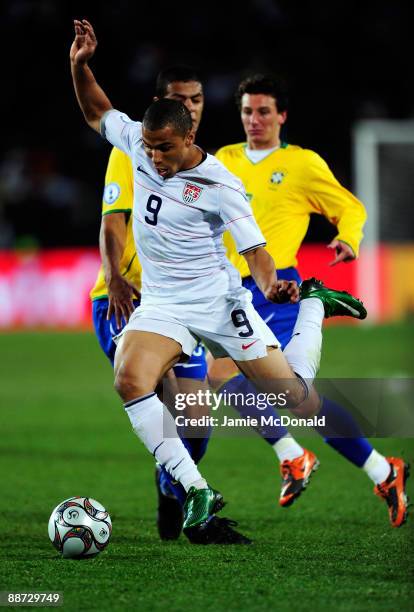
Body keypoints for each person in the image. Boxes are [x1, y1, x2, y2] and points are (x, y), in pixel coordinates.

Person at [70, 19, 377, 543]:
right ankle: (196, 491)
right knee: (129, 378)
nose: (155, 157)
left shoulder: (220, 184)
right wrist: (79, 65)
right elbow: (98, 109)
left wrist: (276, 283)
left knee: (294, 398)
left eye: (165, 148)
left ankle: (314, 308)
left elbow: (256, 252)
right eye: (149, 147)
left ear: (188, 136)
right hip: (164, 304)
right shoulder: (140, 146)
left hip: (218, 301)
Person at [208, 73, 409, 527]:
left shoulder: (301, 164)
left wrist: (348, 237)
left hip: (278, 292)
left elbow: (350, 206)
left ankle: (306, 457)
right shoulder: (223, 160)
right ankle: (378, 469)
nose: (254, 120)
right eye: (246, 111)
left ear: (281, 115)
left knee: (281, 392)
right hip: (226, 296)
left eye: (263, 111)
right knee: (242, 384)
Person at [89, 65, 231, 542]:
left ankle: (170, 488)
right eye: (178, 98)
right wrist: (115, 279)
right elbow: (113, 221)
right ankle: (195, 502)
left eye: (195, 99)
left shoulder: (208, 172)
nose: (188, 105)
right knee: (158, 387)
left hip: (182, 308)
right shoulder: (134, 152)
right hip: (127, 301)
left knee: (195, 420)